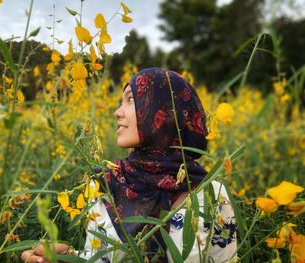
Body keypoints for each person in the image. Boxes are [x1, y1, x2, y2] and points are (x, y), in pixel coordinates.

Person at [21, 68, 237, 263]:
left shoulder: (210, 192)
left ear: (166, 112)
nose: (118, 111)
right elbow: (99, 259)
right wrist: (68, 258)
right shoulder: (107, 184)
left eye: (131, 100)